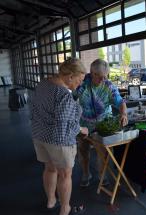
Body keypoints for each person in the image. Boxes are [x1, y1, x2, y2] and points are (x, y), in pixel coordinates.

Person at [30, 58, 88, 215]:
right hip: (58, 141)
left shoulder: (43, 83)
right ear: (70, 76)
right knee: (65, 174)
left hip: (39, 135)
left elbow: (34, 107)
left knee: (49, 168)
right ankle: (65, 208)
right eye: (79, 80)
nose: (80, 84)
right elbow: (64, 126)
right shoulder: (64, 95)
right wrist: (81, 129)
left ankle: (51, 201)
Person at [74, 59, 128, 187]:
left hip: (103, 124)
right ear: (92, 73)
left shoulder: (108, 86)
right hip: (84, 124)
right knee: (83, 150)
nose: (103, 80)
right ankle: (86, 174)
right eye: (100, 77)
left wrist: (124, 114)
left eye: (106, 76)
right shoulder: (82, 84)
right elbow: (70, 99)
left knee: (103, 152)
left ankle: (102, 175)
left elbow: (120, 102)